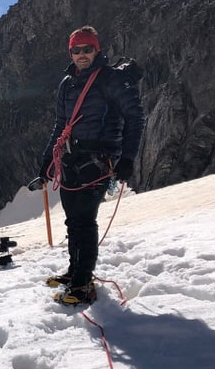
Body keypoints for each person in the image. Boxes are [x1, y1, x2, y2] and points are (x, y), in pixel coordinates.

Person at [35, 25, 144, 304]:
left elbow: (135, 118)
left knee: (84, 220)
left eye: (87, 49)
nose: (82, 55)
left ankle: (83, 282)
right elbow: (60, 125)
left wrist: (127, 158)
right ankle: (76, 272)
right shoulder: (67, 83)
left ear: (97, 49)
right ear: (70, 52)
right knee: (74, 221)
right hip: (71, 160)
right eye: (76, 50)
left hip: (97, 160)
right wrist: (48, 158)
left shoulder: (111, 80)